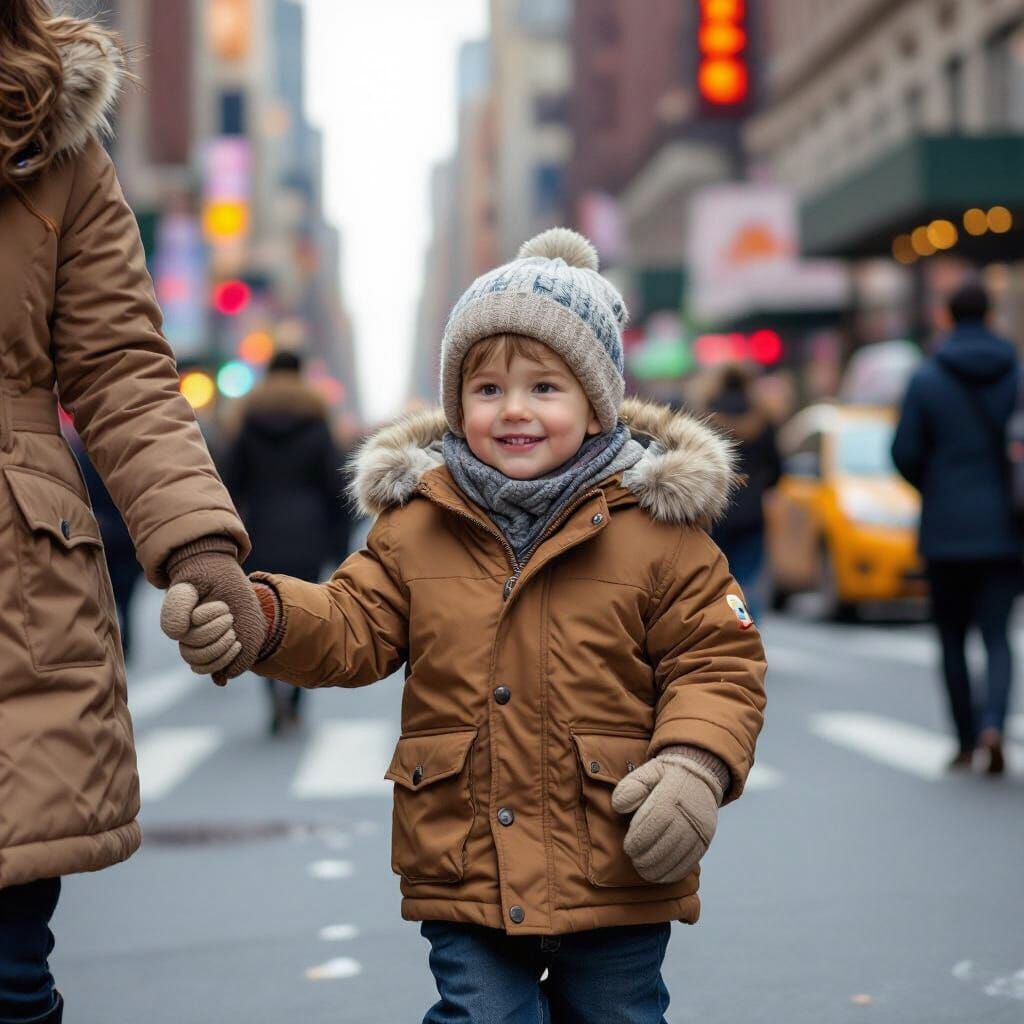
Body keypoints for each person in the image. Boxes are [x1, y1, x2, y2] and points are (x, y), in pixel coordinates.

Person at [163, 228, 767, 1022]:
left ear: (596, 406)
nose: (513, 409)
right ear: (456, 405)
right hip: (466, 861)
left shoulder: (659, 530)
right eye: (486, 390)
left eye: (545, 388)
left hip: (615, 865)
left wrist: (695, 761)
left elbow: (717, 664)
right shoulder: (418, 524)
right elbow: (349, 624)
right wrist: (264, 614)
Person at [0, 6, 263, 1021]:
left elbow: (120, 369)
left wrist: (198, 545)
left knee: (10, 981)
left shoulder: (50, 133)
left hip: (16, 608)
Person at [892, 281, 1023, 775]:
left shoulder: (927, 379)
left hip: (946, 531)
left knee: (950, 637)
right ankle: (994, 724)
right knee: (997, 635)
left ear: (947, 316)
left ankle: (966, 740)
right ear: (990, 315)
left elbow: (903, 451)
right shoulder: (1016, 374)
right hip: (1006, 529)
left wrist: (936, 486)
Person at [220, 351, 352, 734]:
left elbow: (230, 483)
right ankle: (295, 699)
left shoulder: (248, 421)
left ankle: (272, 696)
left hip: (261, 530)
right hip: (307, 533)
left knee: (263, 613)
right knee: (305, 618)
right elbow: (335, 488)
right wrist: (338, 545)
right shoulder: (316, 420)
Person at [705, 364, 782, 623]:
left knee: (718, 580)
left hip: (716, 512)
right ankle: (747, 630)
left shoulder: (706, 415)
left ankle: (723, 629)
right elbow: (777, 468)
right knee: (748, 581)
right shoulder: (762, 418)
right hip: (752, 515)